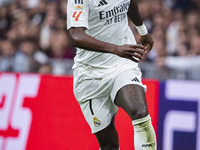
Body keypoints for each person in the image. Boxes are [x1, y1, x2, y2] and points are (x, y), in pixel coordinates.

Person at [67, 0, 157, 149]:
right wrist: (116, 48)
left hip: (122, 64)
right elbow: (75, 35)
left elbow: (129, 2)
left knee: (140, 112)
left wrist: (143, 31)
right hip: (90, 75)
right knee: (109, 145)